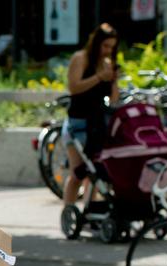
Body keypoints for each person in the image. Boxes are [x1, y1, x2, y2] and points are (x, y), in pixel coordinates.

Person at [63, 23, 120, 206]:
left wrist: (113, 80)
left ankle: (90, 211)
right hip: (78, 122)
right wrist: (99, 77)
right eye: (105, 46)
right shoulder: (81, 58)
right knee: (78, 172)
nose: (107, 51)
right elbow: (73, 87)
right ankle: (69, 212)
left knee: (95, 172)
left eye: (111, 47)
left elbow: (112, 99)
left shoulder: (106, 63)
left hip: (98, 122)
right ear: (96, 43)